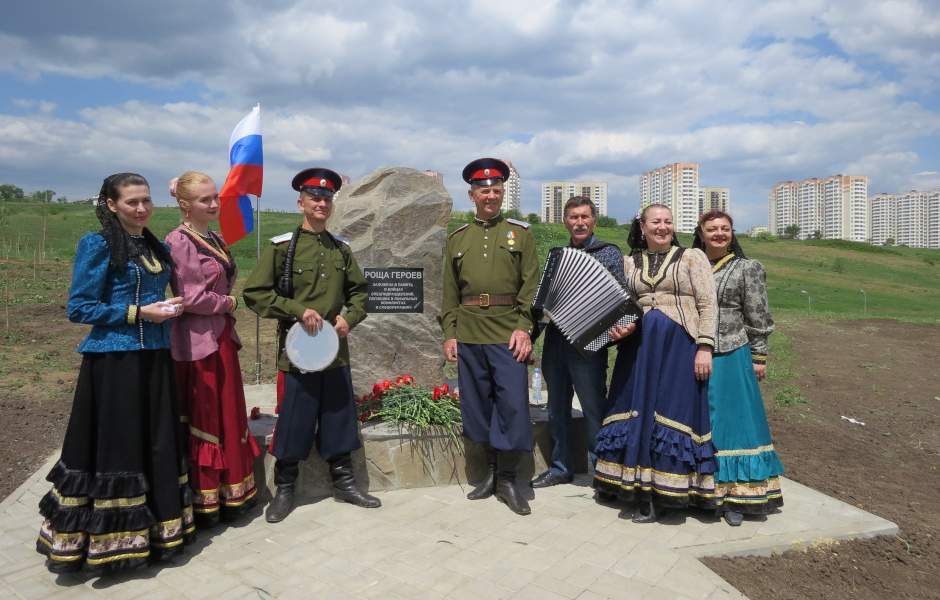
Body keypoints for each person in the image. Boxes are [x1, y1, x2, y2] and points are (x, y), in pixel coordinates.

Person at [36, 173, 195, 575]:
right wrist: (139, 313)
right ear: (111, 205)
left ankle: (159, 533)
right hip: (114, 363)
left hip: (155, 358)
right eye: (131, 203)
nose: (141, 209)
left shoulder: (151, 244)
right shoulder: (98, 243)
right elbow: (80, 308)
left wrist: (167, 306)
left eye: (146, 200)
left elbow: (151, 296)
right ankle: (106, 545)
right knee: (118, 449)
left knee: (155, 444)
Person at [243, 167, 378, 524]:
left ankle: (344, 483)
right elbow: (255, 294)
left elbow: (360, 293)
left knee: (338, 416)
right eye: (315, 197)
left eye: (327, 198)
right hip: (297, 351)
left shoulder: (341, 249)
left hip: (334, 352)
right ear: (301, 202)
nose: (322, 203)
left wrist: (351, 318)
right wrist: (296, 310)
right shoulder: (282, 248)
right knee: (294, 418)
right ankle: (285, 489)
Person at [594, 204, 718, 523]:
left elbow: (707, 303)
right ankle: (632, 487)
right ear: (643, 227)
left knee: (670, 412)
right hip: (637, 348)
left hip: (679, 346)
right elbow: (617, 302)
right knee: (633, 408)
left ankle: (666, 493)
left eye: (667, 221)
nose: (662, 227)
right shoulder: (628, 262)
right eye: (655, 222)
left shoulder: (692, 257)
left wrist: (705, 347)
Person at [438, 158, 540, 516]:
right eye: (484, 191)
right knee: (478, 407)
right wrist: (450, 334)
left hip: (507, 332)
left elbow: (532, 286)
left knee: (512, 405)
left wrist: (524, 327)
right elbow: (449, 291)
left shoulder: (520, 233)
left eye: (497, 190)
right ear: (472, 194)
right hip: (468, 333)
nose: (491, 196)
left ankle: (510, 480)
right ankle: (492, 475)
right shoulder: (458, 239)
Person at [166, 171, 260, 527]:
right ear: (184, 205)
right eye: (205, 199)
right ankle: (205, 497)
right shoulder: (179, 241)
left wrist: (224, 307)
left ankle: (233, 490)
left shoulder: (216, 237)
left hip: (219, 336)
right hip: (196, 341)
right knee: (207, 414)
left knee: (227, 411)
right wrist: (228, 304)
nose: (214, 204)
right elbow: (189, 297)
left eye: (215, 197)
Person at [693, 210, 784, 526]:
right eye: (712, 229)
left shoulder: (747, 268)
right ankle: (697, 490)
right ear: (701, 233)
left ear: (732, 233)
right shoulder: (690, 264)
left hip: (732, 353)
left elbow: (758, 315)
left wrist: (759, 357)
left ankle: (734, 497)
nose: (719, 233)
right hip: (691, 354)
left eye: (725, 229)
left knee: (732, 426)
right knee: (697, 422)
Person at [531, 196, 625, 489]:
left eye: (585, 217)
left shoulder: (609, 253)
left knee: (594, 409)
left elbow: (620, 300)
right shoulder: (556, 254)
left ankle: (604, 472)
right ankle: (561, 468)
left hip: (589, 343)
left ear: (594, 220)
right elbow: (544, 301)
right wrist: (530, 336)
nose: (580, 222)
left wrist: (611, 334)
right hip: (557, 341)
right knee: (556, 408)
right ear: (565, 221)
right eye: (573, 217)